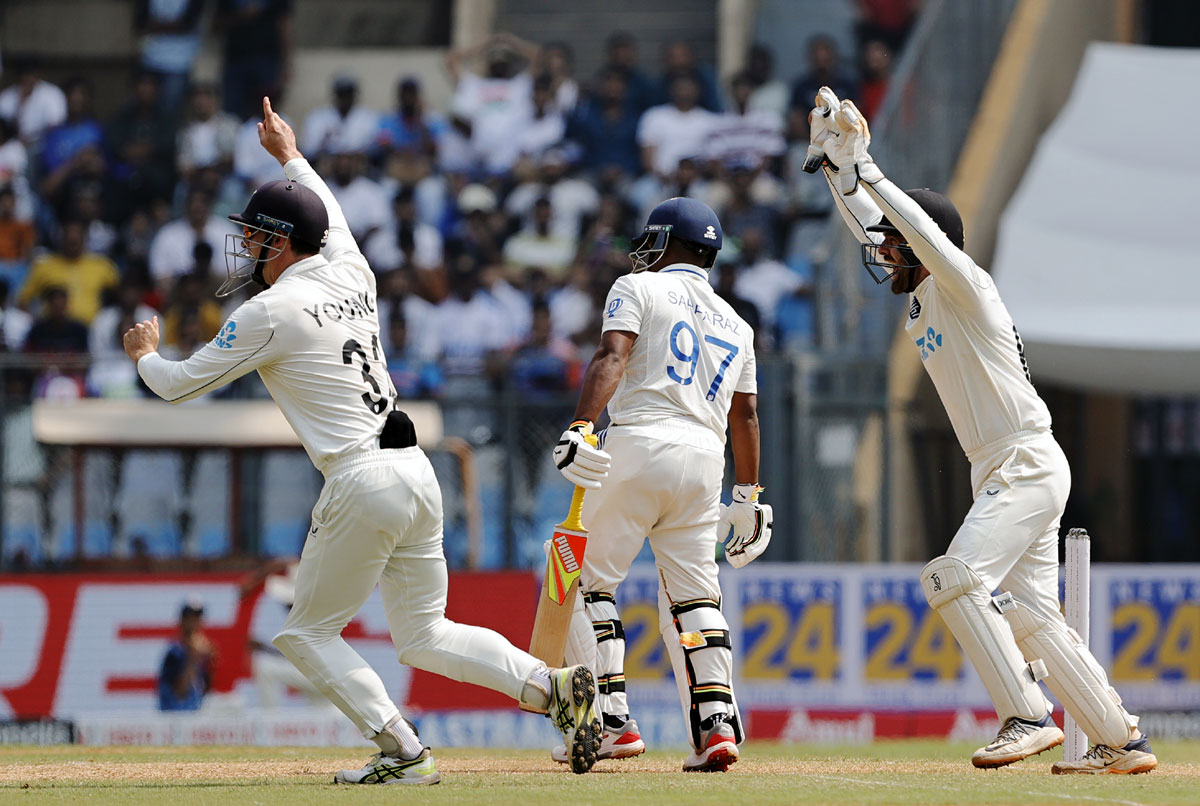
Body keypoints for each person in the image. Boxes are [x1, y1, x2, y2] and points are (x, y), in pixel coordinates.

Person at [123, 97, 601, 783]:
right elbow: (327, 206)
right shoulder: (350, 266)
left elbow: (175, 386)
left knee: (304, 633)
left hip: (361, 479)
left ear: (283, 244)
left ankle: (404, 752)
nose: (249, 247)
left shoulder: (270, 310)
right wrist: (289, 153)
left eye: (257, 236)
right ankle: (552, 688)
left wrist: (144, 353)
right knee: (426, 634)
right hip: (415, 469)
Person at [810, 88, 1157, 775]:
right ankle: (1121, 740)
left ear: (924, 244)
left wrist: (871, 170)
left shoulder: (964, 284)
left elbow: (918, 235)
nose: (880, 253)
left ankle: (1026, 715)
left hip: (1023, 459)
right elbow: (878, 228)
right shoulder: (923, 297)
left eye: (892, 245)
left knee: (952, 577)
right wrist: (835, 168)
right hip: (1009, 464)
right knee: (1031, 617)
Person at [550, 197, 773, 772]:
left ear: (671, 244)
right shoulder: (738, 323)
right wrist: (749, 496)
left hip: (639, 439)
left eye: (653, 240)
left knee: (584, 582)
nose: (643, 250)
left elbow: (611, 355)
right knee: (695, 597)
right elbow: (744, 416)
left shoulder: (637, 287)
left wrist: (580, 425)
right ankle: (716, 725)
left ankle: (610, 721)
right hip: (706, 461)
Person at [158, 599, 213, 711]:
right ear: (182, 620)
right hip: (173, 719)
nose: (194, 622)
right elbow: (179, 693)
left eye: (197, 618)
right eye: (190, 618)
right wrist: (193, 658)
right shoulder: (174, 653)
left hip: (196, 720)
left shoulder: (204, 654)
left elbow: (207, 691)